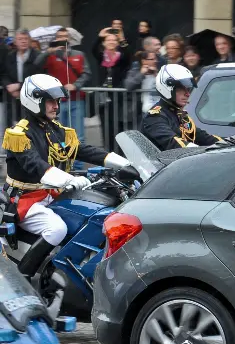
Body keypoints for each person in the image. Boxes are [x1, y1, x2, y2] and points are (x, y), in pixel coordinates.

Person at [1, 74, 136, 276]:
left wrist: (126, 163)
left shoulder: (56, 131)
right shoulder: (19, 135)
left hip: (51, 196)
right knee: (57, 229)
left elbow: (86, 150)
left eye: (57, 101)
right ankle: (25, 276)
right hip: (25, 200)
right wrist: (70, 180)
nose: (55, 106)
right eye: (50, 101)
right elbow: (36, 166)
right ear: (34, 100)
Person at [140, 64, 220, 151]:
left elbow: (203, 137)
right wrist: (201, 151)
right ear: (167, 88)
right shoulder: (155, 117)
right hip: (161, 163)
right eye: (181, 89)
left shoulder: (181, 115)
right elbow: (174, 143)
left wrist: (227, 144)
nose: (187, 94)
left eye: (188, 89)